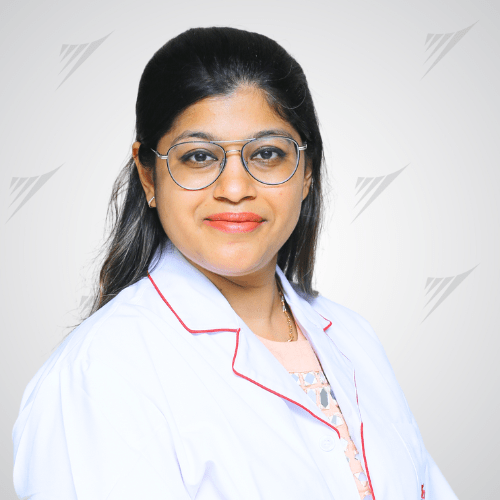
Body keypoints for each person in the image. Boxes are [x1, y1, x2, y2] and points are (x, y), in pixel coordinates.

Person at [12, 26, 458, 500]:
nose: (234, 188)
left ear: (307, 172)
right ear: (148, 176)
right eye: (199, 157)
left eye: (266, 154)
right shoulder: (102, 374)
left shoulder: (353, 337)